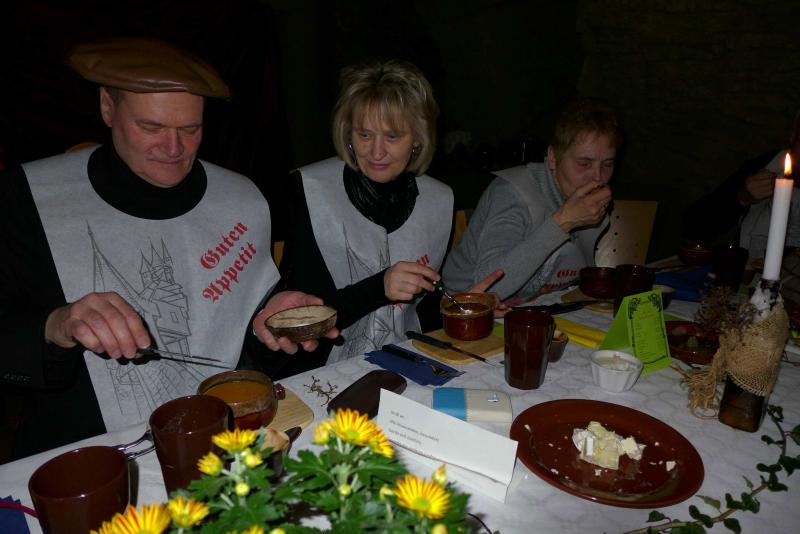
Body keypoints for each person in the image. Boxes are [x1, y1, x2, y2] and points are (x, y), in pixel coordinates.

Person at [0, 37, 333, 459]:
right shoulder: (25, 196)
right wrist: (56, 325)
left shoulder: (242, 199)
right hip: (88, 453)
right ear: (107, 106)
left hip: (222, 441)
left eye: (190, 129)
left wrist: (268, 328)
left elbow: (247, 360)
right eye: (151, 127)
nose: (174, 149)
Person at [267, 60, 501, 376]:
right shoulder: (309, 190)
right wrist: (379, 288)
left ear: (417, 139)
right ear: (348, 133)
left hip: (407, 361)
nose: (376, 152)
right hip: (319, 370)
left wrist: (461, 308)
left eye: (392, 137)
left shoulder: (439, 199)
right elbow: (300, 320)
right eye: (365, 134)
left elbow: (422, 310)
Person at [443, 99, 621, 303]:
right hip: (462, 308)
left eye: (607, 165)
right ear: (552, 158)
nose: (598, 177)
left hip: (534, 306)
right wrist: (562, 223)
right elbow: (488, 285)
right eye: (584, 163)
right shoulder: (511, 193)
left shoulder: (589, 201)